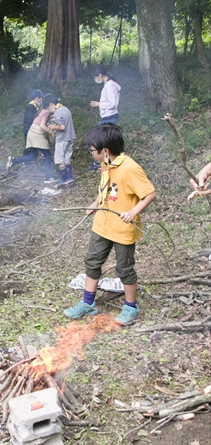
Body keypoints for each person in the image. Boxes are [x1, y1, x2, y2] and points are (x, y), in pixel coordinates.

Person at [64, 124, 156, 326]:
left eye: (92, 151)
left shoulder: (130, 168)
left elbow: (149, 194)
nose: (91, 154)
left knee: (124, 270)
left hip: (123, 230)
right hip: (102, 225)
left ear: (105, 150)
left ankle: (131, 307)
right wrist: (95, 203)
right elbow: (106, 189)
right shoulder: (107, 165)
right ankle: (88, 303)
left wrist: (132, 212)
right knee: (92, 262)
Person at [6, 94, 58, 183]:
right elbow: (42, 125)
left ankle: (14, 161)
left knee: (33, 156)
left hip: (31, 132)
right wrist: (52, 133)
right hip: (37, 134)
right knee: (48, 155)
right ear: (50, 104)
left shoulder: (42, 109)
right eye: (54, 104)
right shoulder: (46, 112)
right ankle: (48, 177)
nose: (55, 106)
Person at [88, 65, 121, 171]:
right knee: (104, 140)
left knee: (99, 139)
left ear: (100, 75)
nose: (95, 80)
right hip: (108, 116)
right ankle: (104, 162)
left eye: (95, 77)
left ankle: (100, 162)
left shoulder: (109, 86)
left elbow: (112, 104)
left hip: (109, 116)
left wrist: (98, 104)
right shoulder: (109, 85)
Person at [46, 94, 76, 188]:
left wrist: (53, 127)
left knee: (60, 160)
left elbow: (62, 127)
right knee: (67, 159)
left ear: (51, 104)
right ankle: (70, 178)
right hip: (70, 137)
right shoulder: (66, 109)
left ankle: (63, 179)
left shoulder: (57, 112)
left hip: (62, 139)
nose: (49, 110)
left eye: (48, 107)